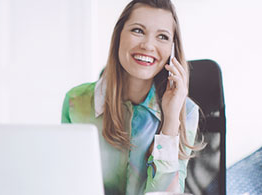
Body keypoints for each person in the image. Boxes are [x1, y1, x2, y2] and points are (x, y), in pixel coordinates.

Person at [62, 0, 204, 194]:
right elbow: (68, 183)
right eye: (138, 30)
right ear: (119, 35)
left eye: (162, 36)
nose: (148, 45)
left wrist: (170, 122)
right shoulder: (76, 101)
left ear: (172, 48)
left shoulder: (185, 112)